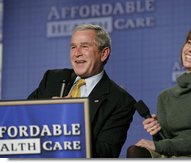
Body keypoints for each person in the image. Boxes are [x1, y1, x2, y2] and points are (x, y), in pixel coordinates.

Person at [27, 24, 136, 158]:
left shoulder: (120, 101)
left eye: (84, 46)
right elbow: (24, 118)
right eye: (73, 47)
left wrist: (72, 118)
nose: (77, 53)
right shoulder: (52, 79)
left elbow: (105, 153)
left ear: (104, 53)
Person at [127, 25, 191, 158]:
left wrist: (160, 146)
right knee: (136, 151)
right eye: (189, 42)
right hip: (176, 155)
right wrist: (156, 132)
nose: (190, 49)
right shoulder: (165, 97)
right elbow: (164, 143)